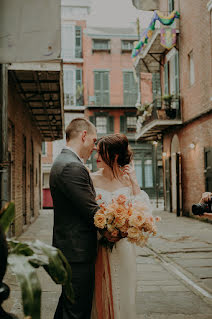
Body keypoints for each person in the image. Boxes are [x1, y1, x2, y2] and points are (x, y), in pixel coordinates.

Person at [90, 133, 152, 319]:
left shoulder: (127, 181)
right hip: (98, 246)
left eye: (101, 153)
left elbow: (143, 212)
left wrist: (134, 183)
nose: (96, 157)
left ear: (114, 155)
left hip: (123, 249)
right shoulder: (91, 179)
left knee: (124, 293)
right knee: (98, 295)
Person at [50, 118, 100, 319]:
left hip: (69, 250)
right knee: (76, 312)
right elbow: (93, 212)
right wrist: (118, 227)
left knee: (67, 308)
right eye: (94, 141)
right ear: (84, 135)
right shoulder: (72, 167)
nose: (95, 148)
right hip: (77, 254)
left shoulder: (63, 161)